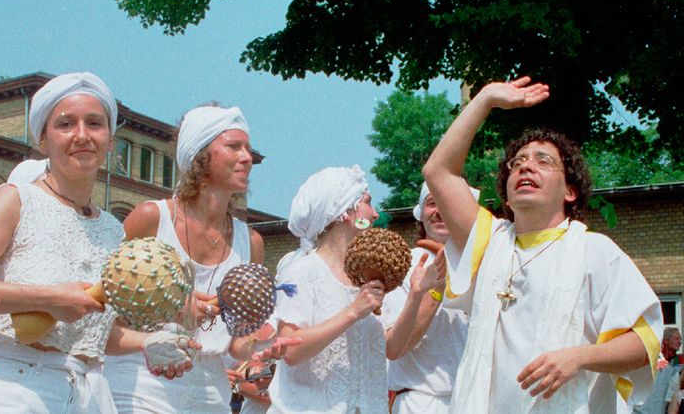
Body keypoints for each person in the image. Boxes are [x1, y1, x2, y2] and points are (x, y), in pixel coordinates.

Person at [422, 77, 662, 412]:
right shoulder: (490, 242)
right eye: (516, 163)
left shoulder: (595, 251)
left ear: (570, 191)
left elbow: (645, 341)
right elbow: (439, 172)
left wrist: (580, 357)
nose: (526, 166)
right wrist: (485, 99)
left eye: (543, 161)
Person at [0, 72, 196, 413]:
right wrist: (51, 297)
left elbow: (97, 333)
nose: (82, 135)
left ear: (111, 140)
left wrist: (149, 341)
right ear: (43, 139)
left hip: (90, 392)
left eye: (94, 124)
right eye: (66, 124)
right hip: (13, 387)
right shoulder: (15, 200)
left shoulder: (113, 231)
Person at [105, 104, 295, 413]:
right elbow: (106, 307)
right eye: (234, 146)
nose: (247, 157)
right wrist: (170, 305)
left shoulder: (252, 242)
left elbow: (236, 342)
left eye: (247, 148)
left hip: (210, 391)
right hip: (141, 383)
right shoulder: (151, 218)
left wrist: (262, 346)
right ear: (199, 155)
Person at [266, 166, 445, 414]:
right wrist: (352, 312)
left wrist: (416, 295)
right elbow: (291, 350)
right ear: (345, 213)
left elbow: (393, 349)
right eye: (368, 203)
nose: (374, 214)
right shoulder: (302, 272)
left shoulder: (372, 274)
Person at [383, 182, 475, 413]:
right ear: (421, 214)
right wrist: (435, 292)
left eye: (449, 202)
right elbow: (395, 348)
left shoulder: (482, 265)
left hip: (472, 400)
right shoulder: (403, 265)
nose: (440, 210)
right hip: (420, 402)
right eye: (433, 203)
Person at [633, 327, 681, 413]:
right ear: (666, 341)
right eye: (676, 339)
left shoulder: (678, 364)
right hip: (640, 410)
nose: (679, 342)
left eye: (680, 339)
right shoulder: (651, 359)